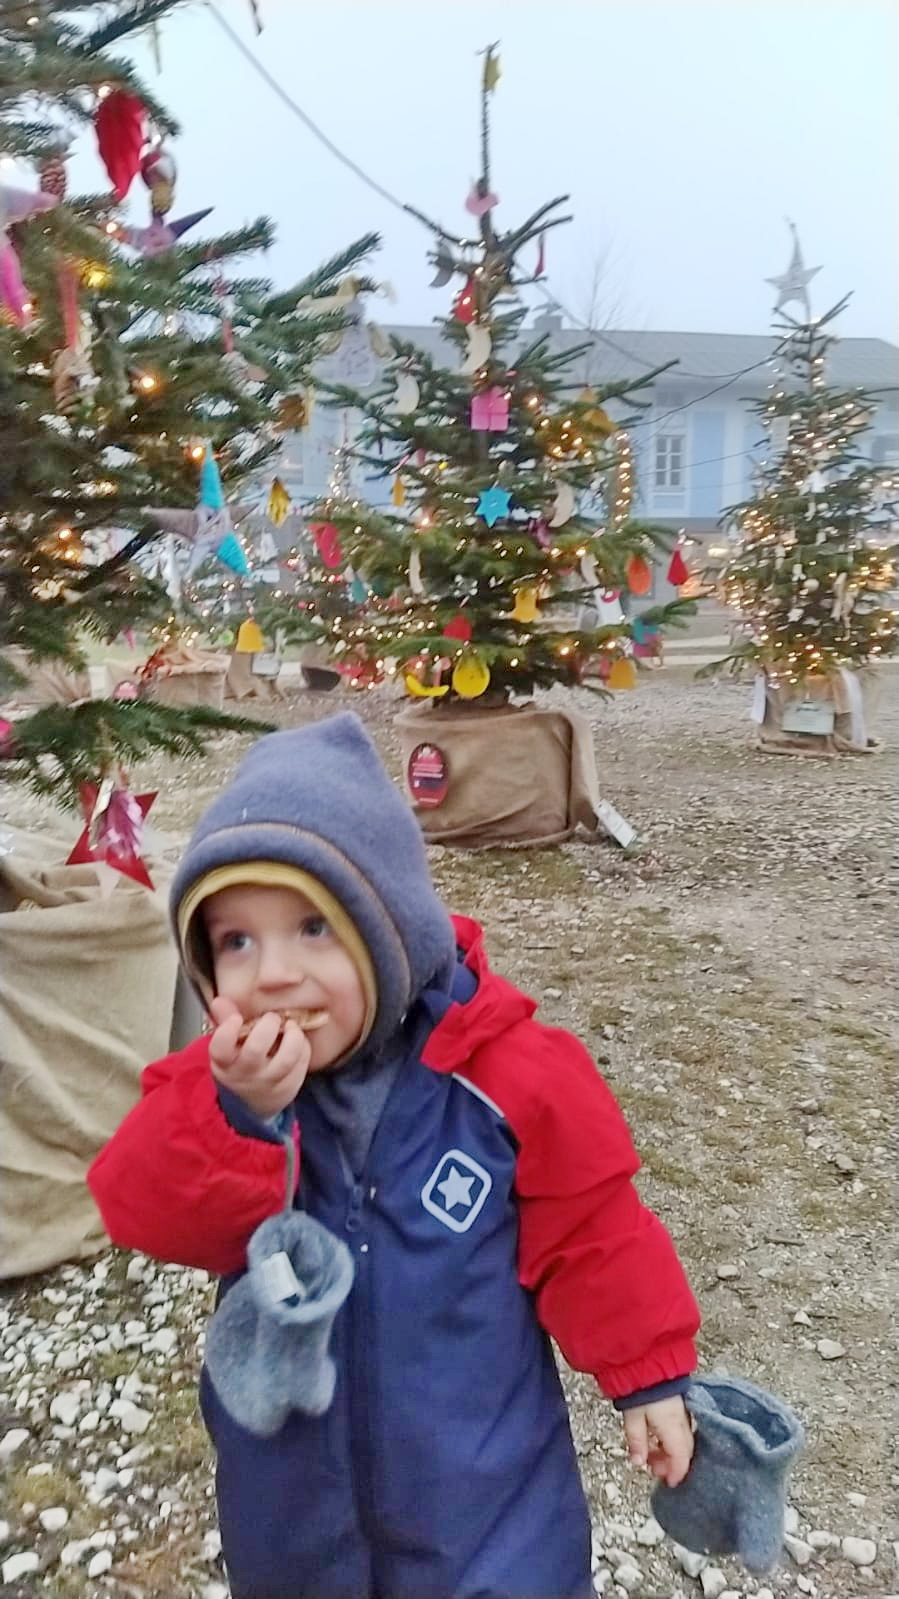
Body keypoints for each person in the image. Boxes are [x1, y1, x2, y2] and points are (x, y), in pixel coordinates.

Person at [89, 712, 700, 1599]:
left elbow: (593, 1230)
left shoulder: (506, 1074)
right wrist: (237, 1113)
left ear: (389, 931)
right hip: (291, 1505)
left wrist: (646, 1374)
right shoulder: (219, 1089)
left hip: (484, 1503)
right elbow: (143, 1209)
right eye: (235, 941)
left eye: (312, 927)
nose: (273, 973)